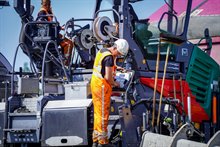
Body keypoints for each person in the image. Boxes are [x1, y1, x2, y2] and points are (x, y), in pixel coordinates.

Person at [91, 39, 129, 147]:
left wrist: (116, 68)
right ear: (116, 48)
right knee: (103, 115)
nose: (118, 56)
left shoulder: (103, 51)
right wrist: (116, 83)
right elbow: (108, 77)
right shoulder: (109, 57)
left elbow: (102, 66)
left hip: (96, 84)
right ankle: (103, 142)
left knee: (97, 114)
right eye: (119, 53)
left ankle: (96, 140)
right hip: (102, 87)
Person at [37, 0, 73, 65]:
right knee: (69, 44)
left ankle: (62, 60)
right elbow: (43, 24)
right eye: (45, 4)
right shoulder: (42, 12)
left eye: (49, 4)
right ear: (42, 4)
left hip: (52, 33)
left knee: (69, 42)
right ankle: (65, 64)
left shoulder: (48, 12)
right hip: (50, 35)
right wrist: (56, 26)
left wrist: (59, 27)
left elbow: (50, 24)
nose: (47, 6)